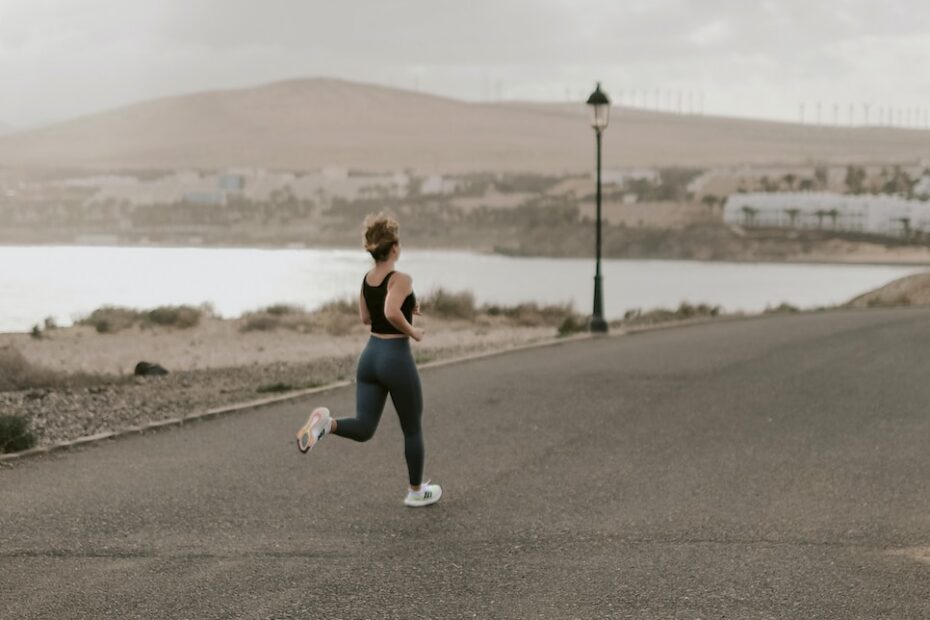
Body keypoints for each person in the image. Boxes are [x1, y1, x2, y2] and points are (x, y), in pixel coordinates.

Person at [296, 213, 442, 508]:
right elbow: (390, 311)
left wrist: (408, 308)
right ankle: (416, 492)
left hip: (370, 357)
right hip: (395, 358)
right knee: (412, 428)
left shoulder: (367, 279)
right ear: (395, 247)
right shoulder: (401, 278)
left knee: (364, 428)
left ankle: (327, 424)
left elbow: (367, 317)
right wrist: (413, 330)